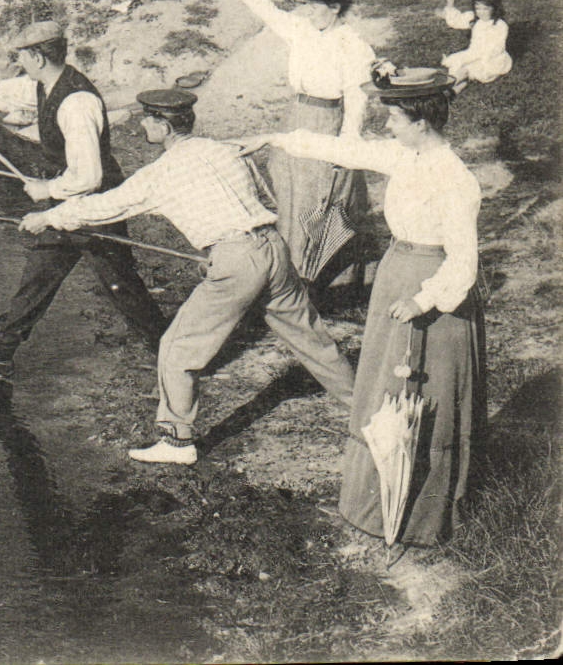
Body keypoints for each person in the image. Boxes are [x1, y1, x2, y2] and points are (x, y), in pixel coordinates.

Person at [21, 89, 355, 464]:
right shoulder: (223, 149)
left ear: (164, 127)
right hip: (273, 247)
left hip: (237, 260)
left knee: (177, 348)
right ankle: (366, 412)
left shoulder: (162, 172)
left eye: (148, 120)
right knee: (312, 339)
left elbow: (107, 206)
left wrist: (48, 217)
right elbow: (262, 197)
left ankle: (177, 441)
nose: (142, 125)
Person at [244, 68, 483, 551]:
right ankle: (373, 504)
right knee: (386, 385)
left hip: (430, 288)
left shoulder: (455, 179)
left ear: (421, 122)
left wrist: (422, 300)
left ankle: (419, 517)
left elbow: (463, 262)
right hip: (398, 272)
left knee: (423, 390)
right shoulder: (407, 154)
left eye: (394, 117)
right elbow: (346, 151)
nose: (387, 125)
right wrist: (277, 138)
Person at [0, 21, 167, 388]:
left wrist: (48, 188)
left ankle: (175, 354)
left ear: (38, 57)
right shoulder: (45, 85)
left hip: (95, 208)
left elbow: (89, 175)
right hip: (68, 206)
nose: (19, 62)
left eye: (21, 57)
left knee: (122, 287)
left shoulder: (76, 103)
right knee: (39, 281)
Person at [216, 0, 375, 285]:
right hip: (296, 116)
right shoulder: (301, 29)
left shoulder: (354, 45)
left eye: (313, 6)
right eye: (304, 5)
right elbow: (263, 7)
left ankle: (320, 277)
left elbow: (356, 99)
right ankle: (289, 268)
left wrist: (346, 145)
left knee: (318, 198)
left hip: (326, 121)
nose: (306, 12)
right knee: (287, 190)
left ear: (335, 7)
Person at [441, 0, 512, 91]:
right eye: (478, 8)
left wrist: (471, 59)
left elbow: (495, 49)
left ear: (494, 7)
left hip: (491, 59)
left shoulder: (499, 25)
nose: (481, 12)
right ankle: (453, 91)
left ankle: (444, 88)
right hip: (474, 53)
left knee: (466, 69)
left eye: (485, 9)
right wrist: (450, 3)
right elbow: (456, 20)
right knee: (458, 66)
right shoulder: (475, 19)